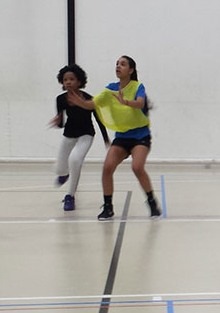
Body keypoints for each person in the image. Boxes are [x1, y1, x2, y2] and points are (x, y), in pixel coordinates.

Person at [68, 55, 161, 220]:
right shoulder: (110, 89)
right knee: (107, 168)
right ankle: (108, 207)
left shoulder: (137, 86)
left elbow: (140, 103)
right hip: (122, 137)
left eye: (123, 64)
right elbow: (93, 104)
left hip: (140, 136)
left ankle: (152, 202)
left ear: (131, 70)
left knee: (137, 167)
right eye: (117, 64)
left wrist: (126, 102)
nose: (118, 66)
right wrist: (80, 102)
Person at [50, 64, 109, 212]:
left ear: (79, 81)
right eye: (65, 80)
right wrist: (58, 122)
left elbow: (99, 119)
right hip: (69, 134)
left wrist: (106, 138)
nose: (68, 82)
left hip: (86, 135)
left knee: (75, 160)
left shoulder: (89, 99)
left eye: (72, 79)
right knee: (59, 169)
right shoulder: (60, 99)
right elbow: (61, 122)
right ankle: (64, 174)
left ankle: (70, 196)